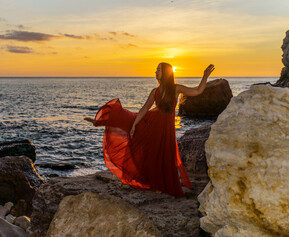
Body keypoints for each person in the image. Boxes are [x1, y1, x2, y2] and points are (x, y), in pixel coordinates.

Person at [85, 63, 215, 197]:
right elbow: (144, 109)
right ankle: (100, 121)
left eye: (158, 69)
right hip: (152, 124)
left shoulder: (176, 88)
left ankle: (162, 185)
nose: (155, 72)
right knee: (142, 139)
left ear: (165, 73)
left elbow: (198, 91)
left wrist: (205, 76)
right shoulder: (155, 91)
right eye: (156, 69)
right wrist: (135, 124)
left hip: (166, 128)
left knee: (165, 154)